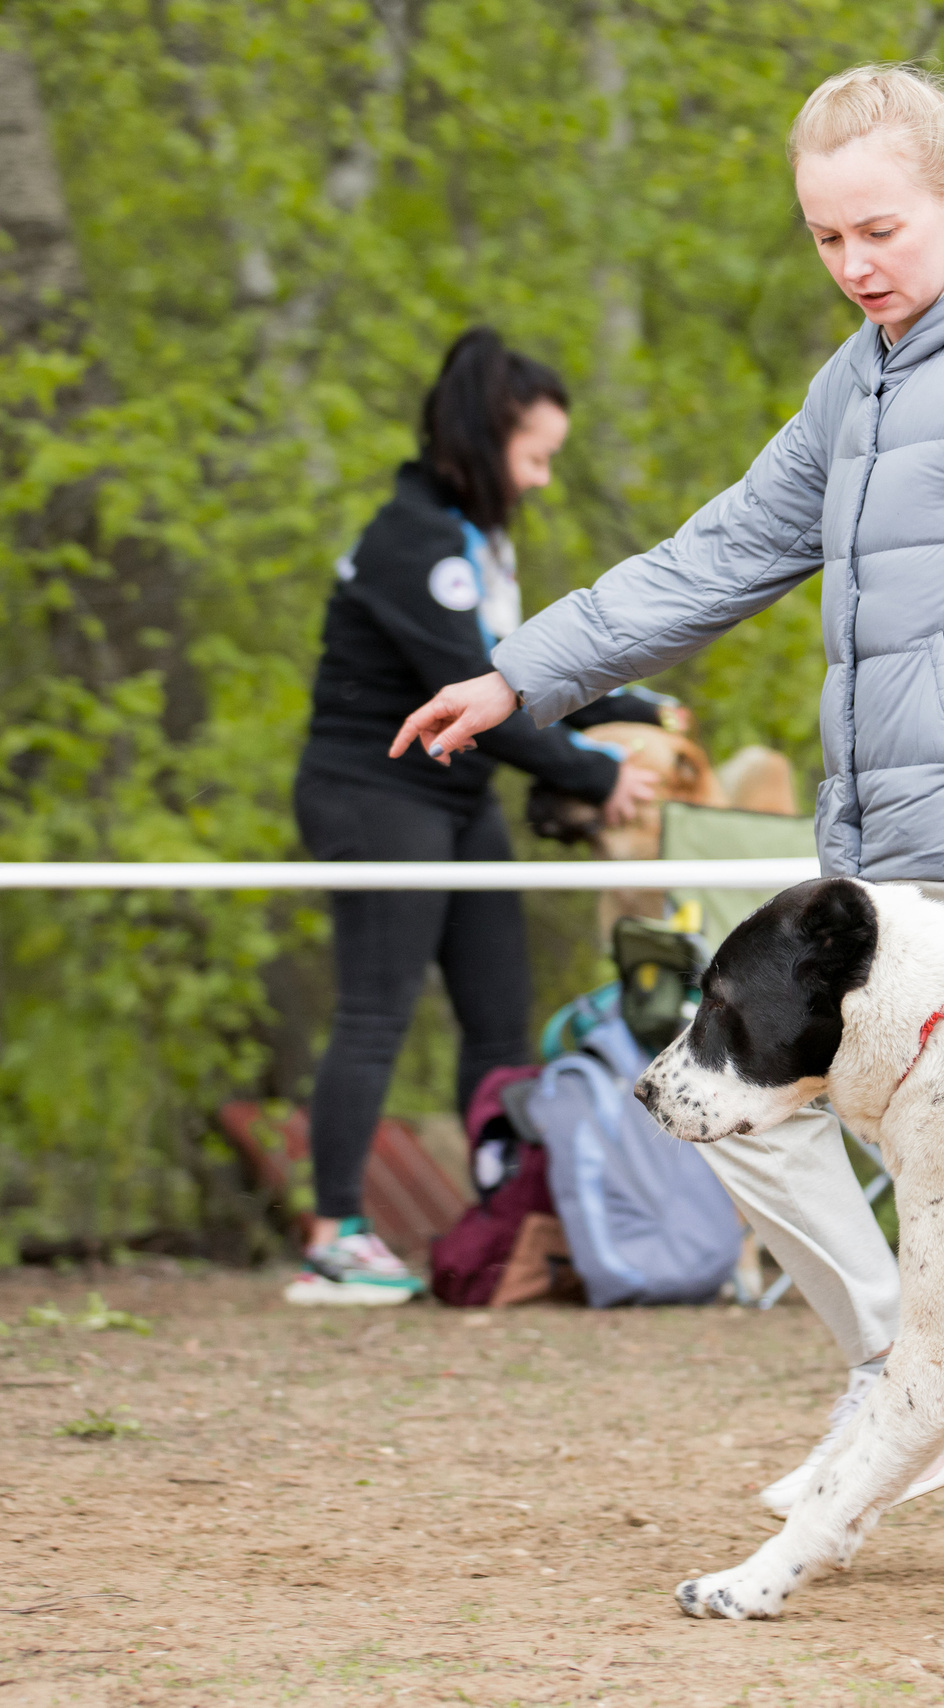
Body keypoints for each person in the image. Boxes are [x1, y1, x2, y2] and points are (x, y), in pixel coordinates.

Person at [391, 65, 944, 1565]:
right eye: (825, 237)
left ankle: (915, 1387)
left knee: (747, 1091)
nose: (855, 265)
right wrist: (519, 674)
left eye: (881, 229)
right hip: (904, 859)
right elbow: (717, 554)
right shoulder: (860, 382)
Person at [287, 328, 662, 1307]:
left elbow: (514, 671)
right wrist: (594, 777)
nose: (541, 480)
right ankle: (335, 1235)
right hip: (375, 791)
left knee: (500, 1013)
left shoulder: (479, 539)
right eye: (536, 457)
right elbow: (473, 704)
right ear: (485, 438)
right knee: (377, 1006)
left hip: (455, 798)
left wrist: (634, 709)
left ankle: (501, 1224)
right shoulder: (412, 541)